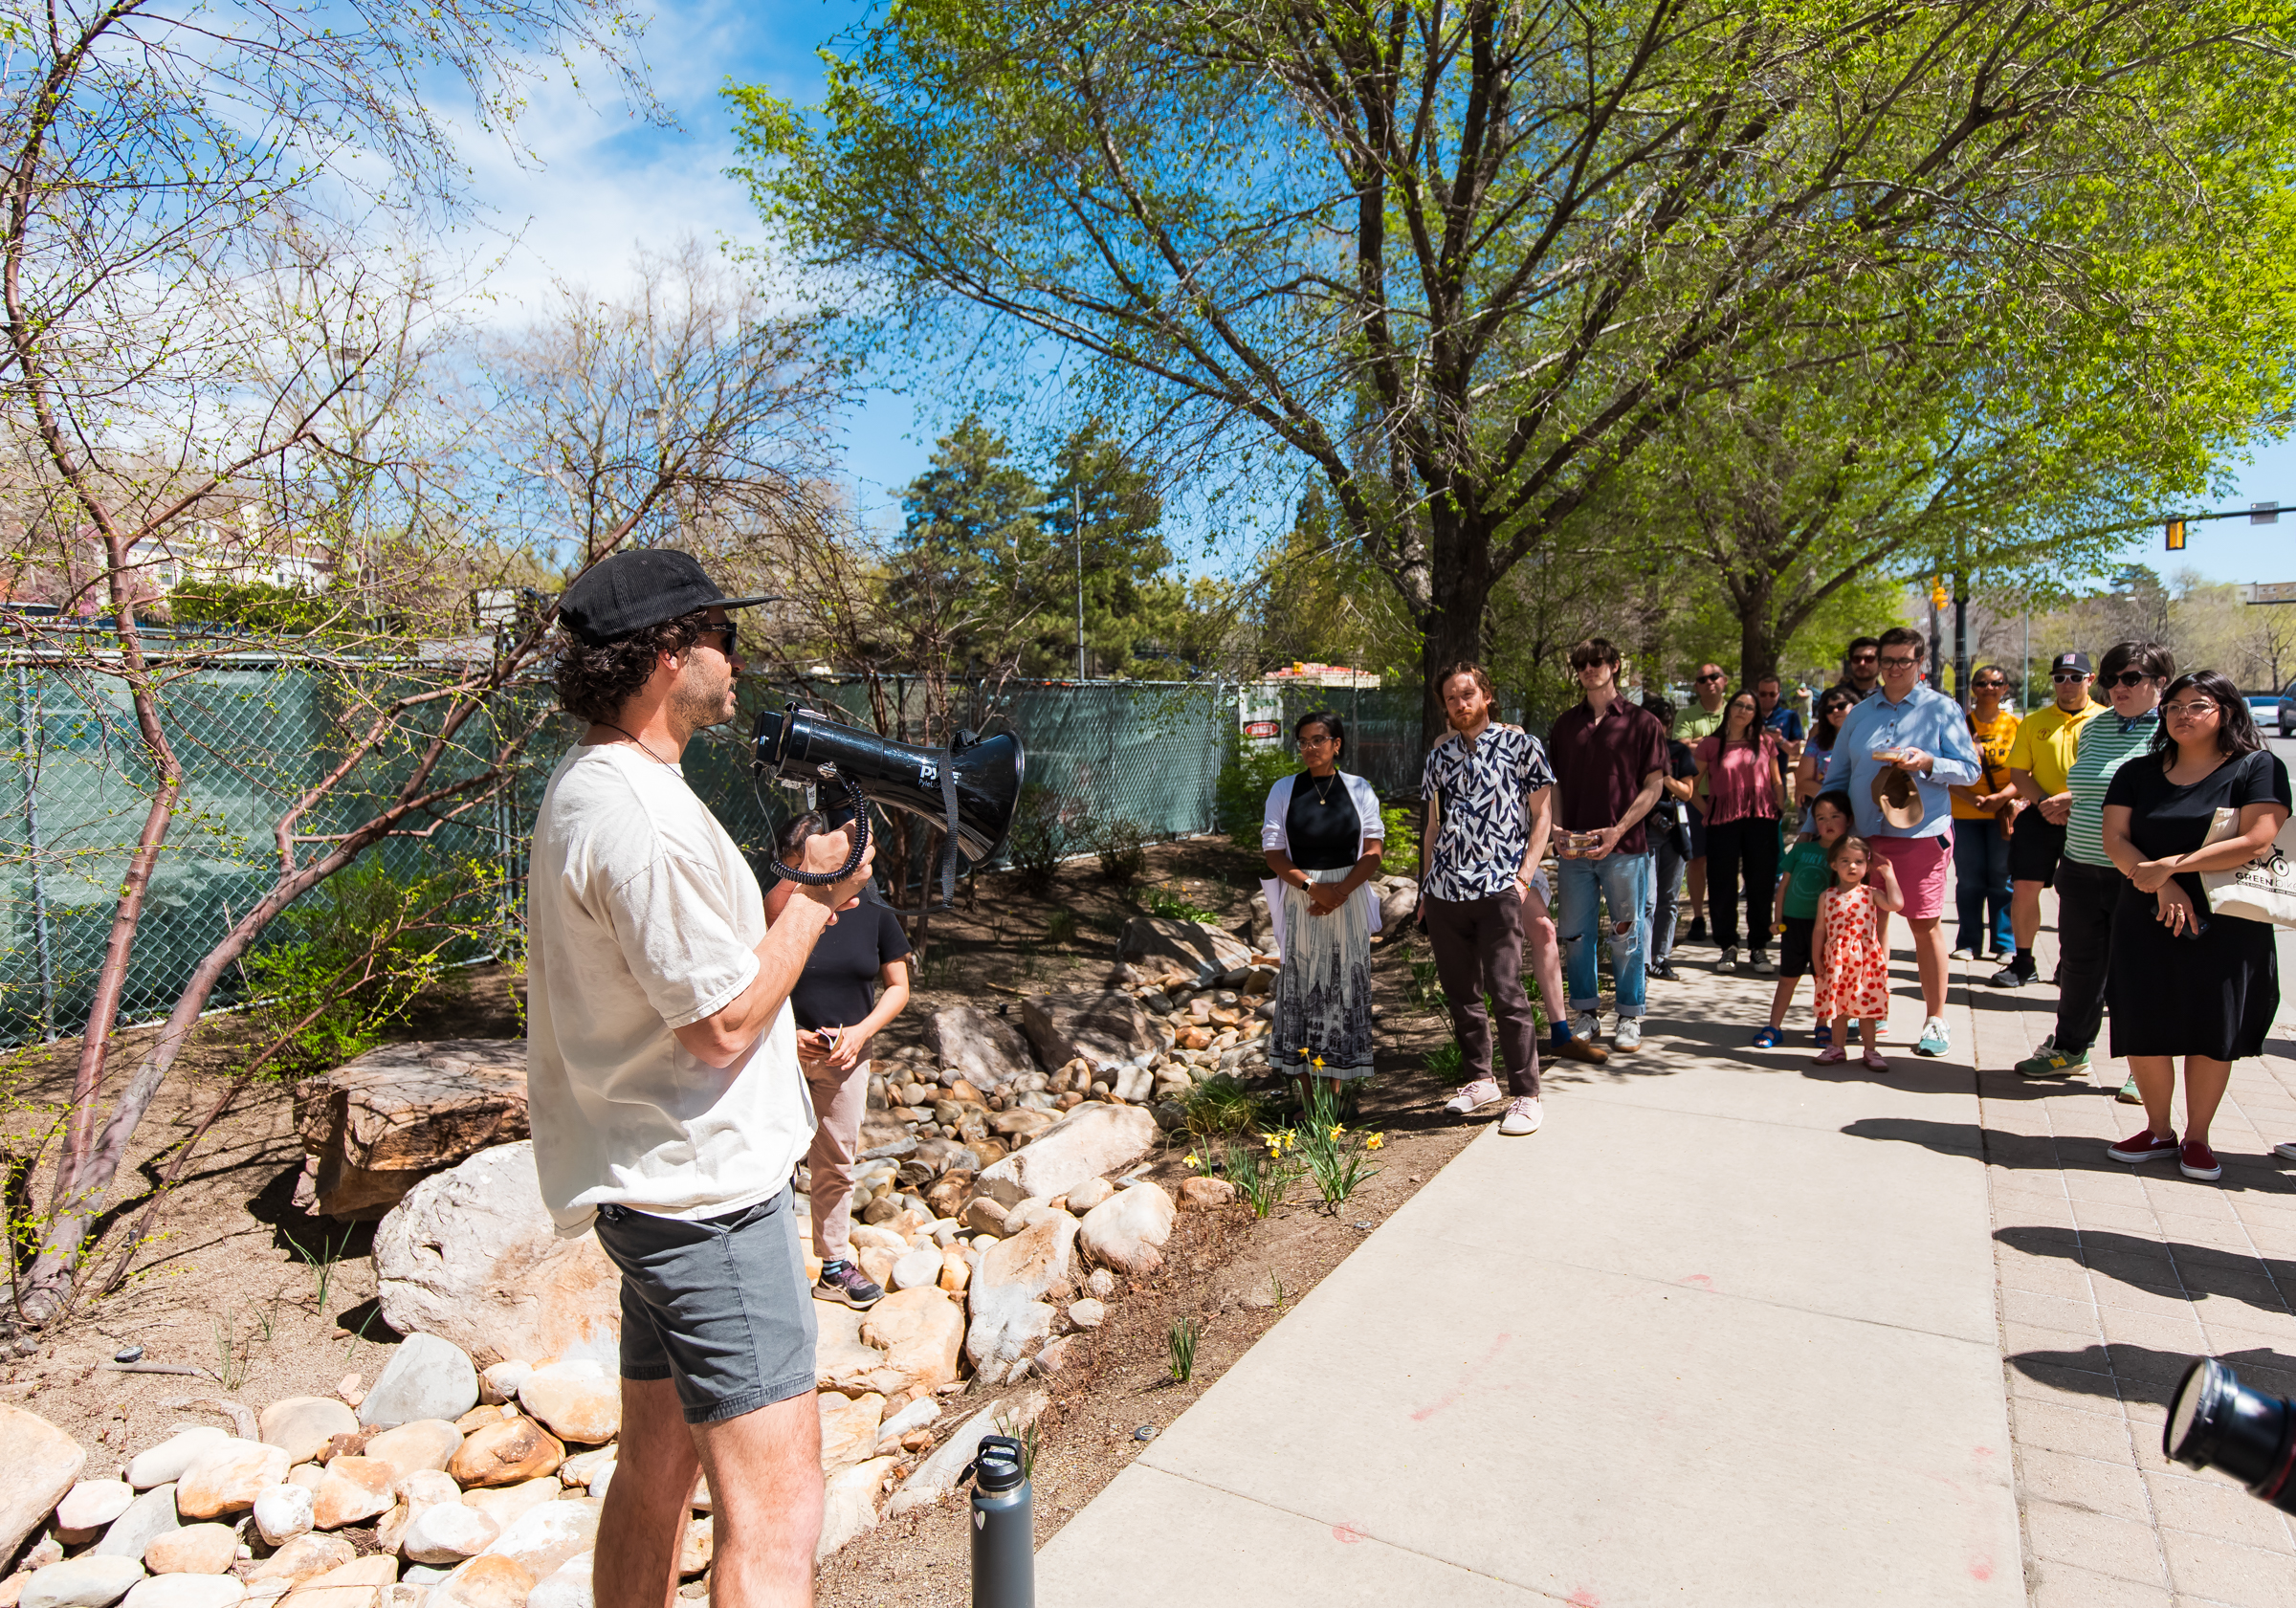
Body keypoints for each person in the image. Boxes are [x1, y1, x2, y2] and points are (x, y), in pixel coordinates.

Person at [526, 549, 874, 1604]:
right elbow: (722, 1024)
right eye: (725, 634)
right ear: (670, 655)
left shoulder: (605, 786)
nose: (738, 658)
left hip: (654, 1186)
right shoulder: (640, 817)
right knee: (777, 1515)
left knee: (657, 1470)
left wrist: (788, 906)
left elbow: (698, 977)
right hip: (708, 1204)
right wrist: (815, 902)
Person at [2100, 671, 2290, 1181]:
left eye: (2198, 705)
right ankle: (2157, 1130)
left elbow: (2258, 837)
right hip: (2145, 911)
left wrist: (2175, 866)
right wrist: (2159, 882)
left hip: (2228, 921)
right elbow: (2115, 839)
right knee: (2143, 1022)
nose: (2183, 714)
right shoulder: (2136, 772)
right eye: (2175, 705)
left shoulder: (2258, 767)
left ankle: (2198, 1137)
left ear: (2226, 711)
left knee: (2212, 1029)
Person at [763, 813, 913, 1312]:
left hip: (846, 1057)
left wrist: (859, 1033)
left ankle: (832, 1267)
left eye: (803, 870)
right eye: (789, 871)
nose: (794, 885)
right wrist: (790, 1034)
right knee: (771, 1161)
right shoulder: (770, 912)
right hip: (776, 1054)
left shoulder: (875, 916)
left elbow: (899, 988)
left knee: (835, 1163)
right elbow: (746, 986)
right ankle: (773, 1268)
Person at [2014, 641, 2174, 1093]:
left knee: (2138, 970)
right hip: (2080, 864)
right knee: (2080, 965)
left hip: (2137, 872)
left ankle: (2144, 1066)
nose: (2117, 688)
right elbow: (2090, 786)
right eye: (2109, 679)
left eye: (2130, 678)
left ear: (2160, 683)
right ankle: (2070, 1049)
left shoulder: (2172, 730)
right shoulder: (2097, 726)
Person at [1820, 627, 1983, 1057]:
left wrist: (1929, 762)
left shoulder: (1942, 710)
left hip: (1920, 836)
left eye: (1903, 661)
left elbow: (1971, 771)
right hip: (1865, 837)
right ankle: (1872, 1008)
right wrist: (1822, 826)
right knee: (1868, 928)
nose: (1893, 669)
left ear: (1919, 664)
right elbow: (1837, 777)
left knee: (1925, 925)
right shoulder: (1859, 713)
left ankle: (1935, 1019)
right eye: (1886, 661)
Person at [1418, 668, 1559, 1137]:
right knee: (1462, 994)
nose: (1460, 703)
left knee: (1507, 992)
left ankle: (1527, 1095)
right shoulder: (1439, 755)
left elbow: (1542, 816)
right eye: (1451, 698)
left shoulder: (1522, 745)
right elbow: (1433, 827)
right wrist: (1424, 887)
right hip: (1445, 891)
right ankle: (1480, 1080)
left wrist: (1522, 879)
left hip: (1498, 887)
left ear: (1487, 696)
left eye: (1468, 694)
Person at [1548, 638, 1671, 1053]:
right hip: (1576, 852)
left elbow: (1654, 787)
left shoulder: (1643, 723)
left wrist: (1618, 829)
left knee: (1627, 933)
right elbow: (1557, 784)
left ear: (1615, 665)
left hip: (1625, 847)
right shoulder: (1565, 725)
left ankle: (1630, 1015)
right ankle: (1586, 1013)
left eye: (1596, 661)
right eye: (1581, 663)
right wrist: (1558, 829)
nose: (1588, 669)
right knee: (1577, 935)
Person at [1262, 710, 1387, 1094]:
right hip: (1302, 899)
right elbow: (1274, 852)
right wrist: (1314, 888)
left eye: (1318, 740)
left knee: (1343, 990)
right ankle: (1305, 1094)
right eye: (1303, 741)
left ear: (1337, 744)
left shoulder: (1359, 788)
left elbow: (1373, 850)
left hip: (1347, 899)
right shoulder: (1284, 790)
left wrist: (1340, 892)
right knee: (1299, 991)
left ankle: (1336, 1094)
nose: (1309, 748)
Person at [1994, 651, 2101, 988]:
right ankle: (2023, 962)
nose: (2067, 684)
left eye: (2075, 677)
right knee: (2024, 888)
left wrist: (2072, 800)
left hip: (2089, 817)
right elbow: (2019, 773)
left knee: (2080, 895)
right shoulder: (2034, 721)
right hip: (2040, 815)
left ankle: (2073, 965)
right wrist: (2045, 803)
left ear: (2091, 679)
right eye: (2060, 677)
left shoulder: (2107, 720)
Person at [1691, 687, 1791, 976]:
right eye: (1739, 705)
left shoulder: (1764, 742)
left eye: (1750, 708)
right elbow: (1691, 788)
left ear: (1755, 714)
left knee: (1760, 882)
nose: (1743, 711)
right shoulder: (1711, 744)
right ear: (1729, 708)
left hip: (1761, 818)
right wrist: (1707, 809)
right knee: (1722, 883)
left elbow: (1776, 780)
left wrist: (1780, 807)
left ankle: (1758, 946)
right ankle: (1728, 946)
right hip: (1723, 821)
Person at [1757, 790, 1853, 1047]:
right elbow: (1784, 886)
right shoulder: (1801, 850)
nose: (1828, 823)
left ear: (1849, 819)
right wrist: (1777, 918)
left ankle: (1822, 1026)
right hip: (1793, 923)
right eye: (1821, 818)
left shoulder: (1849, 856)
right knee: (1788, 976)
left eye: (1835, 816)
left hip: (1828, 929)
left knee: (1822, 978)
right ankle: (1774, 1026)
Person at [1812, 835, 1906, 1072]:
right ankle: (1836, 1048)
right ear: (1834, 864)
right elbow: (1820, 930)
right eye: (1845, 860)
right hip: (1837, 962)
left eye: (1858, 861)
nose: (1852, 866)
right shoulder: (1827, 896)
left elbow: (1896, 904)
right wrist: (1816, 960)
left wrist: (1889, 875)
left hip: (1866, 962)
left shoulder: (1870, 893)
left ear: (1867, 865)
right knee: (1839, 1008)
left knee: (1867, 1008)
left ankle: (1870, 1050)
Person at [1949, 664, 2021, 962]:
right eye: (1982, 683)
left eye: (1996, 683)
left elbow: (2027, 770)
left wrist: (2002, 796)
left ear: (2005, 688)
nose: (1988, 688)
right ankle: (1967, 942)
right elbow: (1946, 771)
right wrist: (1972, 796)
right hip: (1965, 813)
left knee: (2002, 878)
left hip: (2002, 813)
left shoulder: (2016, 726)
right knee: (1968, 879)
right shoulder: (1960, 726)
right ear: (1973, 688)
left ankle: (2005, 943)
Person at [1642, 694, 1698, 982]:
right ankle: (1643, 962)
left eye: (1665, 722)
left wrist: (1663, 777)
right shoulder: (1634, 751)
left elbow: (1687, 792)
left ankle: (1660, 956)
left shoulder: (1679, 751)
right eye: (1654, 722)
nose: (1661, 728)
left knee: (1669, 899)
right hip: (1644, 831)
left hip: (1674, 831)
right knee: (1647, 900)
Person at [1673, 663, 1730, 943]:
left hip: (1731, 797)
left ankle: (1722, 916)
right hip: (1696, 796)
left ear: (1725, 681)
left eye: (1714, 677)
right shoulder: (1685, 714)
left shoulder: (1737, 710)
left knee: (1726, 861)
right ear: (1695, 685)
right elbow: (1681, 747)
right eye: (1702, 679)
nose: (1709, 682)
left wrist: (1700, 743)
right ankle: (1698, 917)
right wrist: (1721, 743)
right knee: (1697, 859)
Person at [1795, 688, 1856, 826]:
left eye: (1841, 706)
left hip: (1859, 812)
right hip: (1822, 814)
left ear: (1854, 706)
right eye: (1829, 709)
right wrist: (1837, 803)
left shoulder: (1868, 740)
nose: (1835, 711)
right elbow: (1803, 781)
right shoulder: (1817, 742)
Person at [1756, 672, 1805, 756]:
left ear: (1779, 692)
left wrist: (1780, 740)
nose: (1768, 698)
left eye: (1772, 694)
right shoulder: (1748, 716)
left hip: (1779, 768)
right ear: (1757, 692)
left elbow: (1795, 751)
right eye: (1763, 694)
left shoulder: (1790, 716)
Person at [1835, 637, 1883, 703]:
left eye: (1869, 659)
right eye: (1857, 658)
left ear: (1880, 663)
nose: (1862, 663)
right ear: (1850, 662)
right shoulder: (1834, 696)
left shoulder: (1889, 698)